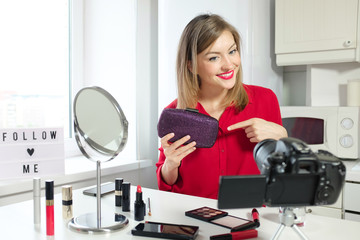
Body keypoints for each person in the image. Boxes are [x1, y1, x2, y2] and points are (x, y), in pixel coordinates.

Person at [156, 14, 287, 199]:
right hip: (192, 219)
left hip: (249, 218)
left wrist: (283, 138)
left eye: (232, 51)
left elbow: (282, 171)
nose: (229, 65)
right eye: (214, 58)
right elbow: (166, 184)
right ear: (191, 66)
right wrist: (170, 163)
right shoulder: (175, 113)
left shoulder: (265, 99)